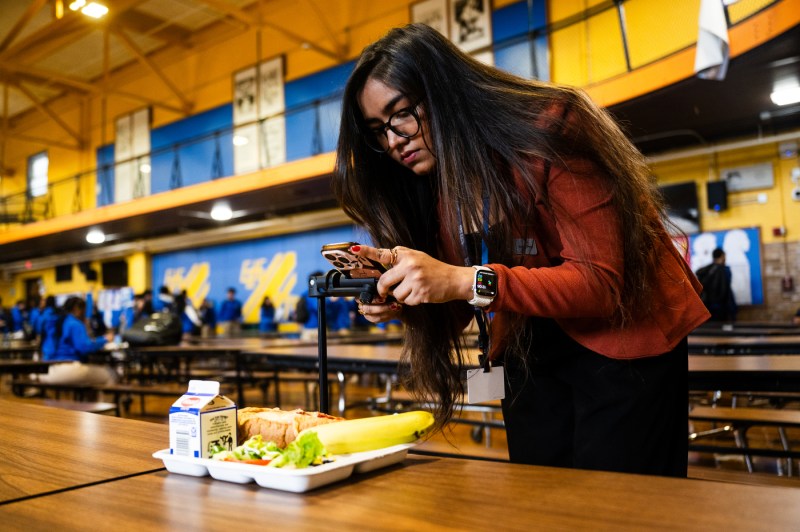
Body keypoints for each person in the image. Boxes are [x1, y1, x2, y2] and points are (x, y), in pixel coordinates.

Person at [332, 24, 710, 478]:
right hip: (528, 354)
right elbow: (461, 298)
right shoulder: (442, 184)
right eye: (378, 130)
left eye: (402, 114)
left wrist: (460, 279)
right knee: (538, 504)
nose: (394, 140)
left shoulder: (554, 125)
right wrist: (405, 295)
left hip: (625, 347)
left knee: (620, 512)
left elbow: (599, 284)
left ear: (446, 92)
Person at [39, 296, 116, 385]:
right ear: (77, 309)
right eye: (84, 310)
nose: (85, 314)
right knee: (110, 374)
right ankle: (102, 399)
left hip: (46, 370)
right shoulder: (74, 323)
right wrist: (104, 339)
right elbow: (84, 347)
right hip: (66, 370)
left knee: (90, 377)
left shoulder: (54, 321)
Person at [695, 248, 736, 323]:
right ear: (722, 256)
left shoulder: (706, 270)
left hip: (708, 307)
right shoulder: (724, 270)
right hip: (721, 308)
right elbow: (725, 291)